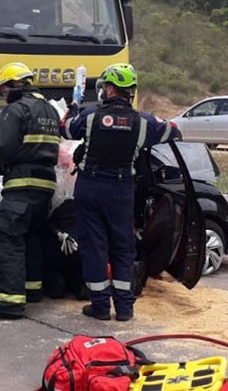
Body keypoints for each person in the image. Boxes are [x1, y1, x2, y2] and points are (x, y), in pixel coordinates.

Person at [62, 63, 180, 322]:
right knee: (123, 247)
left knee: (94, 246)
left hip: (90, 188)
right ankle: (125, 308)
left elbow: (67, 128)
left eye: (105, 86)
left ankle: (101, 307)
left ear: (112, 88)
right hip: (121, 190)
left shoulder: (91, 115)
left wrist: (74, 105)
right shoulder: (145, 122)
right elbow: (174, 131)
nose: (103, 90)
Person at [0, 62, 61, 320]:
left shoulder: (17, 109)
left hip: (21, 184)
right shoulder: (50, 109)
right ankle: (31, 290)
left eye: (4, 90)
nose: (4, 96)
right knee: (31, 237)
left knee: (10, 237)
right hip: (46, 184)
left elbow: (0, 146)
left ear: (15, 84)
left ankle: (9, 303)